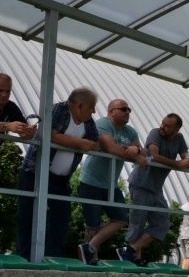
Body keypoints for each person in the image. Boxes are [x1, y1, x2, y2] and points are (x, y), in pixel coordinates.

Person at [16, 87, 100, 261]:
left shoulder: (88, 122)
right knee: (27, 216)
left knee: (61, 216)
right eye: (91, 107)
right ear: (79, 105)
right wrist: (79, 143)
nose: (93, 111)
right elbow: (50, 134)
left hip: (61, 179)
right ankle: (24, 257)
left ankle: (54, 256)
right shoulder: (58, 110)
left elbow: (95, 143)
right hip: (34, 172)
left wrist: (78, 143)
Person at [76, 98, 147, 265]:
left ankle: (90, 247)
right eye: (123, 109)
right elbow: (110, 147)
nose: (127, 112)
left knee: (121, 219)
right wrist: (135, 155)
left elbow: (142, 152)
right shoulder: (103, 123)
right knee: (92, 225)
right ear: (111, 112)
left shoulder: (130, 131)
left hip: (111, 185)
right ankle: (90, 259)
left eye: (129, 109)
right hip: (91, 181)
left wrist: (136, 148)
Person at [117, 113, 189, 266]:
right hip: (141, 183)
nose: (162, 127)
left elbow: (186, 156)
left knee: (162, 223)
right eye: (162, 123)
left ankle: (130, 250)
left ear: (176, 129)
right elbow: (155, 156)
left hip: (156, 187)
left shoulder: (179, 138)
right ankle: (135, 258)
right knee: (138, 221)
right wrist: (178, 164)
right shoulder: (155, 133)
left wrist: (187, 160)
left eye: (167, 126)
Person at [0, 73, 36, 139]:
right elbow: (9, 126)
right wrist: (8, 126)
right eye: (1, 90)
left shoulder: (11, 107)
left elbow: (24, 134)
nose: (4, 95)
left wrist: (28, 132)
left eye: (8, 91)